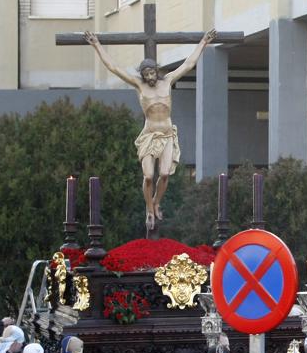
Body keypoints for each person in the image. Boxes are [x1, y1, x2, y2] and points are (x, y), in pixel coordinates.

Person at [84, 27, 217, 228]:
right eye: (146, 74)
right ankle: (149, 208)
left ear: (157, 71)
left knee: (164, 174)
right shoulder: (139, 85)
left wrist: (204, 42)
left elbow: (189, 63)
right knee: (148, 176)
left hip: (167, 135)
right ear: (143, 76)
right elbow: (114, 67)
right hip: (149, 135)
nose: (150, 77)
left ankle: (156, 203)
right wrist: (96, 45)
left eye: (152, 72)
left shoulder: (168, 80)